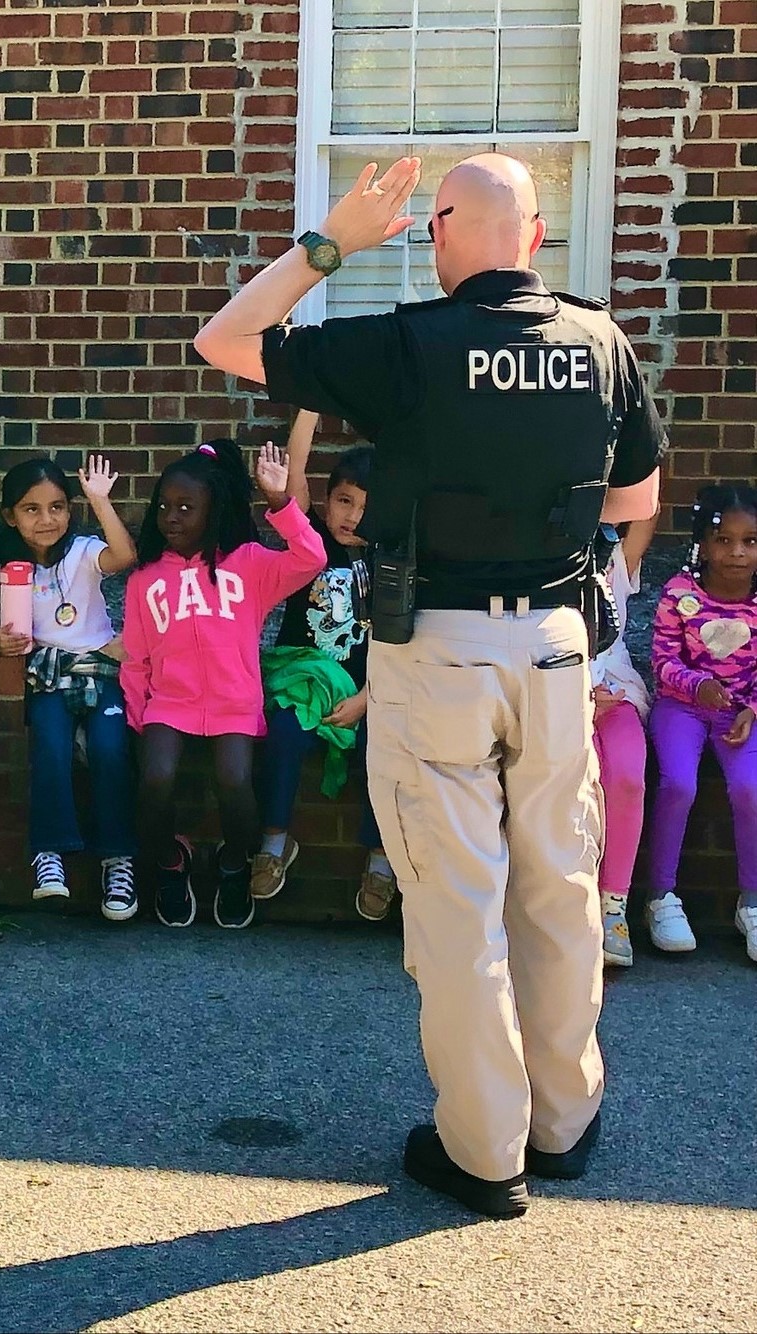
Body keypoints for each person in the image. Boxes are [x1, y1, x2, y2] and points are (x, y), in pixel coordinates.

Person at [195, 153, 666, 1217]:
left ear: (442, 231)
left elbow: (224, 339)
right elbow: (632, 495)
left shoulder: (410, 343)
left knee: (458, 903)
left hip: (438, 645)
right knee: (558, 888)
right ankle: (562, 1123)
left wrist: (334, 241)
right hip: (555, 647)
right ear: (537, 238)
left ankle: (484, 1147)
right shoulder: (602, 341)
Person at [122, 439, 325, 931]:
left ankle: (235, 863)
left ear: (215, 511)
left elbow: (310, 558)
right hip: (170, 703)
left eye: (187, 508)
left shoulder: (250, 564)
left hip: (234, 703)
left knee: (235, 782)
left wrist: (280, 502)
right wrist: (137, 713)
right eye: (165, 506)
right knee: (154, 778)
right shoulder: (146, 578)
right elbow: (136, 655)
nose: (172, 517)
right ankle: (173, 862)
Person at [253, 410, 397, 920]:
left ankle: (382, 860)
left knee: (382, 750)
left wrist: (364, 699)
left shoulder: (392, 560)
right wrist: (309, 409)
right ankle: (273, 842)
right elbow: (292, 483)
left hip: (365, 690)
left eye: (366, 506)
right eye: (343, 500)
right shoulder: (311, 542)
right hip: (302, 680)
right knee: (282, 735)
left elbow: (401, 646)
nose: (352, 516)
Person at [0, 456, 138, 916]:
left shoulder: (86, 552)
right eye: (31, 509)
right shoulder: (6, 566)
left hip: (99, 671)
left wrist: (100, 501)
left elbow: (125, 557)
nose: (46, 519)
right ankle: (49, 853)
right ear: (10, 515)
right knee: (49, 744)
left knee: (111, 747)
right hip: (45, 675)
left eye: (57, 507)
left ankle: (117, 858)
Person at [645, 484, 757, 964]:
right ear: (703, 545)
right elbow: (662, 659)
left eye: (750, 541)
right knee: (678, 784)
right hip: (682, 707)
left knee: (750, 787)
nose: (736, 552)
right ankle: (661, 896)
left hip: (742, 713)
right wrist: (697, 687)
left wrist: (752, 706)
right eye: (724, 540)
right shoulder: (680, 594)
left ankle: (751, 901)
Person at [590, 514, 657, 967]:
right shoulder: (534, 559)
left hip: (615, 695)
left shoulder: (615, 556)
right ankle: (568, 910)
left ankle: (613, 905)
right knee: (577, 780)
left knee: (628, 776)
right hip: (553, 693)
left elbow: (647, 503)